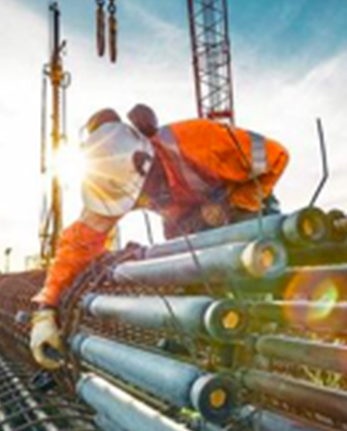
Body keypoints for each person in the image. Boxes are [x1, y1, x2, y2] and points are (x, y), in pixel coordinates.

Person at [28, 104, 289, 368]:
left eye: (144, 190)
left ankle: (261, 348)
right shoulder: (114, 179)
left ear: (148, 160)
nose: (142, 200)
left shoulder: (198, 140)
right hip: (191, 226)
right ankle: (196, 350)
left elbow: (275, 156)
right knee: (191, 281)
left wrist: (232, 202)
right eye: (134, 197)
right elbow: (79, 244)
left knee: (248, 281)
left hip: (247, 210)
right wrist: (45, 311)